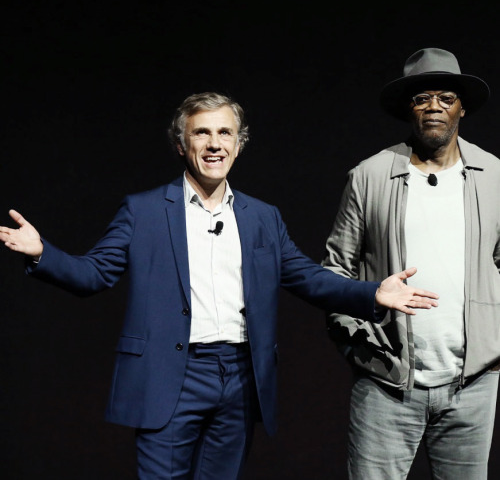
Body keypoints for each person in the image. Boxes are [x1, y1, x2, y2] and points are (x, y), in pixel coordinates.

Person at [0, 91, 437, 480]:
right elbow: (94, 274)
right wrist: (42, 253)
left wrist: (371, 293)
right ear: (181, 144)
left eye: (225, 133)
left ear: (238, 144)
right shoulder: (144, 211)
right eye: (202, 133)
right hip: (171, 375)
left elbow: (306, 277)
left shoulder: (262, 216)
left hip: (240, 377)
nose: (214, 144)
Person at [322, 48, 500, 480]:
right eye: (422, 98)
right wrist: (360, 346)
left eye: (445, 97)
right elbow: (333, 272)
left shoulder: (492, 176)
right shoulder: (371, 175)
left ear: (461, 108)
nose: (433, 106)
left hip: (471, 385)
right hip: (387, 383)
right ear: (409, 109)